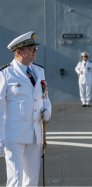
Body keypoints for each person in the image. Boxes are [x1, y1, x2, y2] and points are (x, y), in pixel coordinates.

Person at [0, 31, 52, 186]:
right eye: (31, 49)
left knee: (31, 179)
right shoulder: (5, 74)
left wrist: (47, 111)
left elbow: (45, 97)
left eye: (35, 48)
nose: (35, 51)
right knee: (16, 178)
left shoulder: (39, 71)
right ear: (19, 51)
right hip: (13, 135)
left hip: (35, 134)